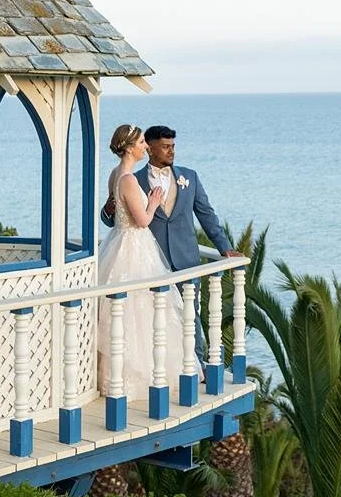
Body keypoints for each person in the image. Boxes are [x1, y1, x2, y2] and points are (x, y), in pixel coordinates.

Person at [96, 123, 185, 397]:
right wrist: (154, 201)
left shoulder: (115, 175)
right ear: (131, 147)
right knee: (141, 312)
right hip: (134, 246)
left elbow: (112, 210)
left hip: (118, 244)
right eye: (142, 144)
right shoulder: (129, 180)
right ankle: (137, 376)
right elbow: (143, 220)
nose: (145, 147)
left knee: (124, 313)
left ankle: (115, 375)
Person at [100, 124, 244, 268]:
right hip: (150, 262)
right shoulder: (133, 179)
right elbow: (116, 221)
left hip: (187, 262)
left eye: (173, 146)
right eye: (165, 147)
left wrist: (225, 248)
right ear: (150, 149)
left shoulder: (190, 177)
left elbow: (207, 215)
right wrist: (107, 210)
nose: (171, 152)